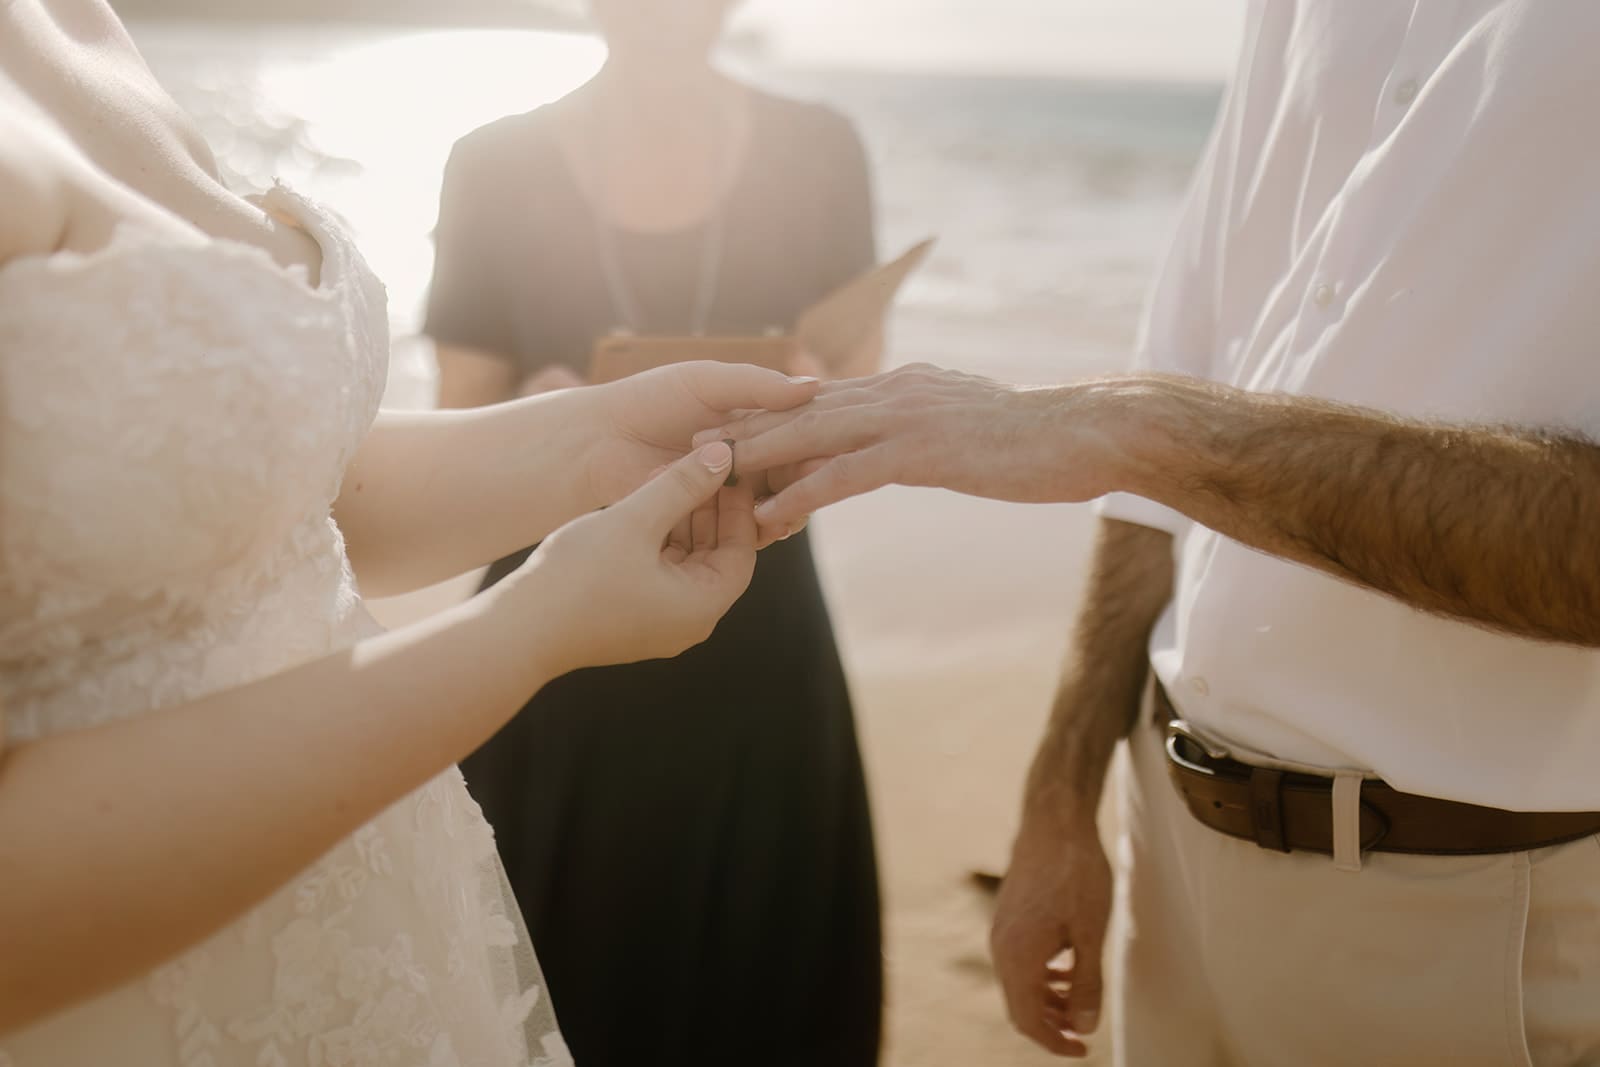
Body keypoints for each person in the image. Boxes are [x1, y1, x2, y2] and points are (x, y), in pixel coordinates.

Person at [710, 3, 1600, 1063]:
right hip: (1166, 848)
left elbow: (1157, 426)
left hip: (1480, 913)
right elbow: (1193, 352)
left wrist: (1136, 429)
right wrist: (1060, 792)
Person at [0, 3, 823, 1064]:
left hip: (385, 952)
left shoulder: (74, 19)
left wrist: (590, 442)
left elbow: (259, 507)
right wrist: (528, 628)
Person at [423, 2, 883, 1063]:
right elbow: (453, 438)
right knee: (553, 961)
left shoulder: (818, 146)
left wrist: (815, 386)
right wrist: (543, 421)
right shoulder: (492, 159)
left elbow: (858, 385)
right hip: (556, 610)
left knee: (759, 971)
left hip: (758, 605)